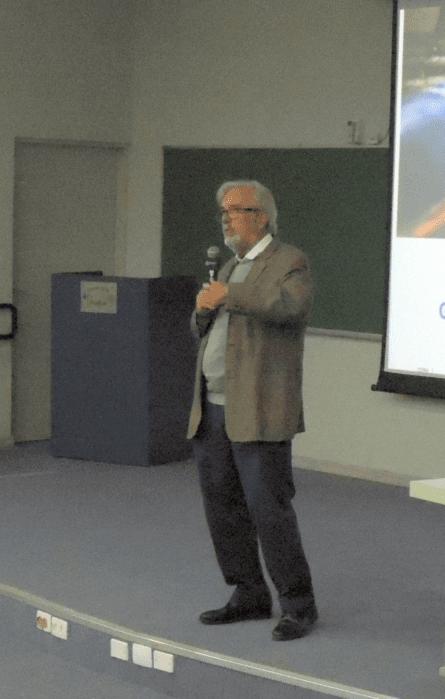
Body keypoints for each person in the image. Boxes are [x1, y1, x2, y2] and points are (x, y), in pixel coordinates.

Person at [186, 180, 318, 642]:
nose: (226, 218)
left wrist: (228, 295)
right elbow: (208, 325)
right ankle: (248, 593)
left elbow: (289, 307)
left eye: (235, 210)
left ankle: (298, 606)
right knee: (222, 508)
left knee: (269, 510)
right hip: (213, 408)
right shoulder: (229, 265)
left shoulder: (288, 262)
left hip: (260, 409)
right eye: (223, 211)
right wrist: (203, 310)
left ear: (261, 216)